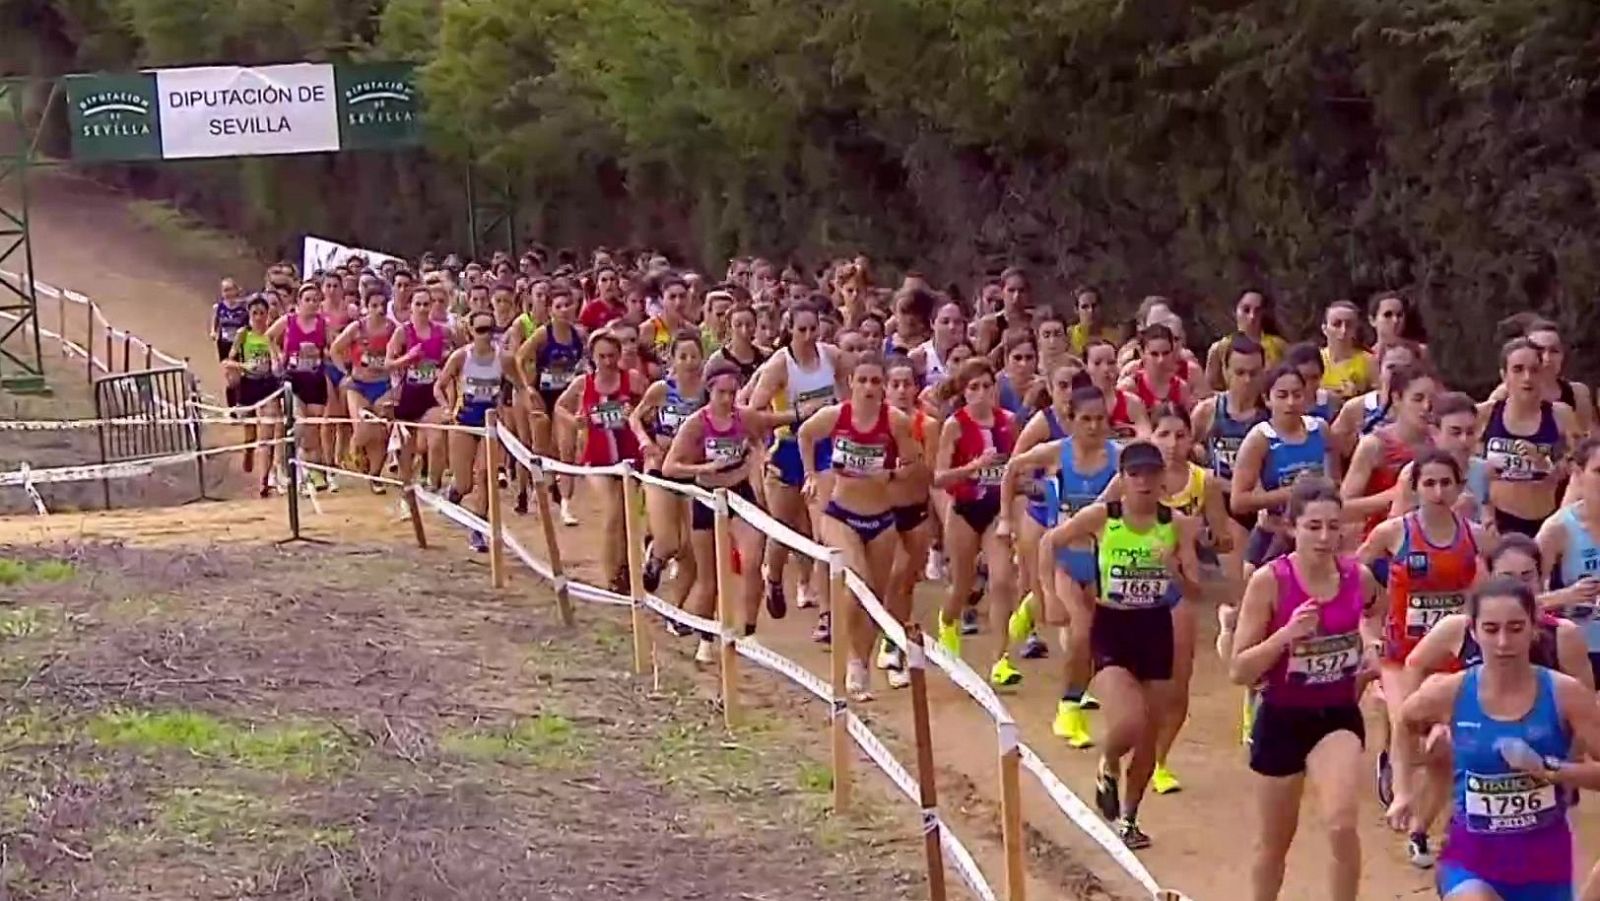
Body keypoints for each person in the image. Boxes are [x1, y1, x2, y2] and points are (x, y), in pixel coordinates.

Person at [1038, 440, 1203, 848]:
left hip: (1156, 626)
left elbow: (1196, 591)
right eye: (1135, 474)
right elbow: (1049, 543)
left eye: (1151, 474)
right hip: (1112, 625)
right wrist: (1050, 596)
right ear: (1123, 480)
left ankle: (1129, 817)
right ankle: (1108, 763)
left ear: (1163, 478)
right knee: (1129, 721)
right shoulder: (1103, 517)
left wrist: (1174, 571)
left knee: (1150, 732)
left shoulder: (1177, 523)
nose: (1144, 482)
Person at [1400, 577, 1600, 901]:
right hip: (1469, 862)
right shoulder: (1449, 692)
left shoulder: (1566, 694)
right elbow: (1406, 721)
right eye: (1491, 630)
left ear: (1534, 627)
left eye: (1515, 628)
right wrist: (1403, 790)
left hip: (1544, 867)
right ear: (1473, 631)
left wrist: (1552, 771)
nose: (1503, 642)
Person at [1230, 479, 1381, 901]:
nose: (1325, 537)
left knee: (1342, 823)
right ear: (1293, 528)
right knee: (1274, 843)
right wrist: (1287, 636)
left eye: (1334, 527)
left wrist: (1371, 653)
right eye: (1314, 526)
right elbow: (1239, 670)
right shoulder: (1270, 581)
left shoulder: (1358, 577)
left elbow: (1379, 618)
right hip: (1281, 716)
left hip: (1336, 715)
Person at [1358, 449, 1492, 868]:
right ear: (1415, 487)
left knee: (1444, 750)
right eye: (1428, 483)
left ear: (1458, 487)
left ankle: (1419, 830)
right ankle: (1399, 791)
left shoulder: (1476, 536)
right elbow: (1353, 580)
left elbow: (1490, 595)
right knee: (1406, 720)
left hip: (1451, 655)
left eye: (1445, 483)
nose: (1437, 491)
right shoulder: (1392, 533)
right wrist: (1367, 630)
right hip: (1401, 654)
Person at [798, 352, 918, 699]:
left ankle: (861, 664)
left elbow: (913, 463)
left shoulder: (894, 421)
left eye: (875, 381)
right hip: (840, 514)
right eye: (862, 380)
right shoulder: (837, 415)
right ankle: (850, 653)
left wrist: (892, 474)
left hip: (881, 520)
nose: (868, 387)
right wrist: (809, 476)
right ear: (850, 382)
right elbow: (805, 434)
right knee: (858, 583)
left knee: (874, 599)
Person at [663, 359, 800, 663]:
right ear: (709, 390)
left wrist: (762, 453)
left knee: (751, 563)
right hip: (706, 496)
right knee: (709, 576)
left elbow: (767, 425)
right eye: (721, 392)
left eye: (732, 392)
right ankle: (707, 638)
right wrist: (705, 467)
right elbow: (669, 467)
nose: (727, 398)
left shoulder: (743, 416)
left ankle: (748, 633)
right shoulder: (697, 424)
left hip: (739, 493)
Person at [1016, 384, 1121, 747]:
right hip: (1061, 556)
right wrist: (1007, 514)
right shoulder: (1056, 453)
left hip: (1101, 560)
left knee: (1092, 640)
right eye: (1085, 419)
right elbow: (1014, 466)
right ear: (1070, 421)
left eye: (1100, 419)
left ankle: (1030, 608)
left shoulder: (1118, 458)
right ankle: (1068, 709)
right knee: (1079, 630)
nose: (1093, 427)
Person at [936, 358, 1024, 685]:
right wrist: (973, 467)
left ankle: (1000, 659)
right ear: (963, 392)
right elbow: (940, 477)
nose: (982, 393)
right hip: (964, 509)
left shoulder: (1009, 422)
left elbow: (1017, 466)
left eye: (987, 386)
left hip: (996, 510)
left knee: (1002, 580)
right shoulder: (955, 425)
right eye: (974, 388)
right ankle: (947, 622)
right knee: (962, 584)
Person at [556, 331, 650, 592]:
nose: (607, 361)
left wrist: (639, 412)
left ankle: (625, 569)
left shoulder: (630, 380)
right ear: (592, 357)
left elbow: (653, 404)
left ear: (619, 356)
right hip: (597, 459)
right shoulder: (583, 384)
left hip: (629, 457)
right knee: (612, 512)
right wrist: (574, 422)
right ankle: (612, 577)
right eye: (602, 356)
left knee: (627, 516)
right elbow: (560, 407)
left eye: (612, 356)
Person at [1479, 337, 1581, 537]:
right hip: (1497, 522)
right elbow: (1460, 464)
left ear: (1543, 374)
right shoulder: (1485, 414)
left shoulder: (1561, 415)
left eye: (1534, 370)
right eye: (1518, 370)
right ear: (1504, 375)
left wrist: (1546, 463)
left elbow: (1580, 467)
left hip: (1544, 521)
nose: (1527, 377)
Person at [630, 333, 707, 592]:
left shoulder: (708, 393)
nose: (689, 362)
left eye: (694, 356)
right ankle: (656, 556)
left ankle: (677, 611)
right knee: (670, 541)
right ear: (673, 360)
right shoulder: (662, 389)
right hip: (660, 468)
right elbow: (635, 417)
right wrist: (645, 441)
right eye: (683, 356)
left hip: (693, 471)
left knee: (690, 549)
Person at [435, 310, 513, 552]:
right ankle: (454, 494)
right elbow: (440, 386)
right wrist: (446, 408)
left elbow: (521, 385)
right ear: (470, 332)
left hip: (490, 425)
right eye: (481, 330)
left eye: (490, 330)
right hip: (464, 422)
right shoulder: (461, 357)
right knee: (466, 483)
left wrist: (530, 411)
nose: (486, 336)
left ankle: (478, 529)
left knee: (486, 476)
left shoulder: (504, 358)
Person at [514, 281, 587, 526]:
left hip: (565, 398)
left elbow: (588, 363)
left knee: (567, 449)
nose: (565, 310)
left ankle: (566, 504)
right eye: (559, 306)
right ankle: (538, 489)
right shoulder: (544, 333)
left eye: (569, 305)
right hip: (543, 394)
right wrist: (526, 387)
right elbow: (520, 357)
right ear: (551, 310)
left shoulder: (580, 335)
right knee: (542, 446)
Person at [1534, 435, 1600, 682]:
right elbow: (1519, 601)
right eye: (1599, 471)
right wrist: (1566, 596)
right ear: (1579, 473)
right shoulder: (1558, 530)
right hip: (1575, 653)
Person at [265, 283, 333, 493]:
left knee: (312, 428)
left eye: (316, 300)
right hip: (292, 378)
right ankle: (288, 466)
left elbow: (332, 347)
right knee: (299, 422)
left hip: (315, 379)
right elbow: (268, 336)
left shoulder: (323, 324)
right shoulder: (289, 320)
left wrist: (326, 354)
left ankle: (311, 469)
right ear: (299, 303)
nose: (312, 304)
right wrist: (276, 356)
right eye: (308, 300)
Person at [385, 285, 452, 492]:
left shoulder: (443, 331)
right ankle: (407, 488)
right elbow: (387, 363)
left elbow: (458, 355)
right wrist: (408, 357)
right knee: (408, 446)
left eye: (426, 304)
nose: (423, 308)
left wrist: (446, 362)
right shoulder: (402, 332)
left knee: (437, 441)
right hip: (408, 394)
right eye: (418, 304)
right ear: (411, 307)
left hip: (432, 394)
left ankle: (434, 486)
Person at [330, 290, 397, 491]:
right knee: (363, 428)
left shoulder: (393, 329)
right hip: (358, 385)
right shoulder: (356, 328)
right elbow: (334, 349)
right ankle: (355, 447)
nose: (379, 309)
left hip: (383, 385)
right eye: (374, 305)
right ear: (366, 306)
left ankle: (375, 476)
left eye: (382, 305)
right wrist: (344, 373)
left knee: (380, 433)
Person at [222, 296, 282, 496]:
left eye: (262, 313)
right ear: (249, 315)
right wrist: (243, 366)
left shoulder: (272, 333)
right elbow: (227, 362)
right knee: (251, 436)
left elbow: (280, 357)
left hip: (268, 384)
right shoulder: (243, 335)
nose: (258, 318)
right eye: (254, 313)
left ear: (268, 315)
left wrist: (275, 358)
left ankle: (264, 480)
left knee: (269, 432)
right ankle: (248, 451)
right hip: (248, 385)